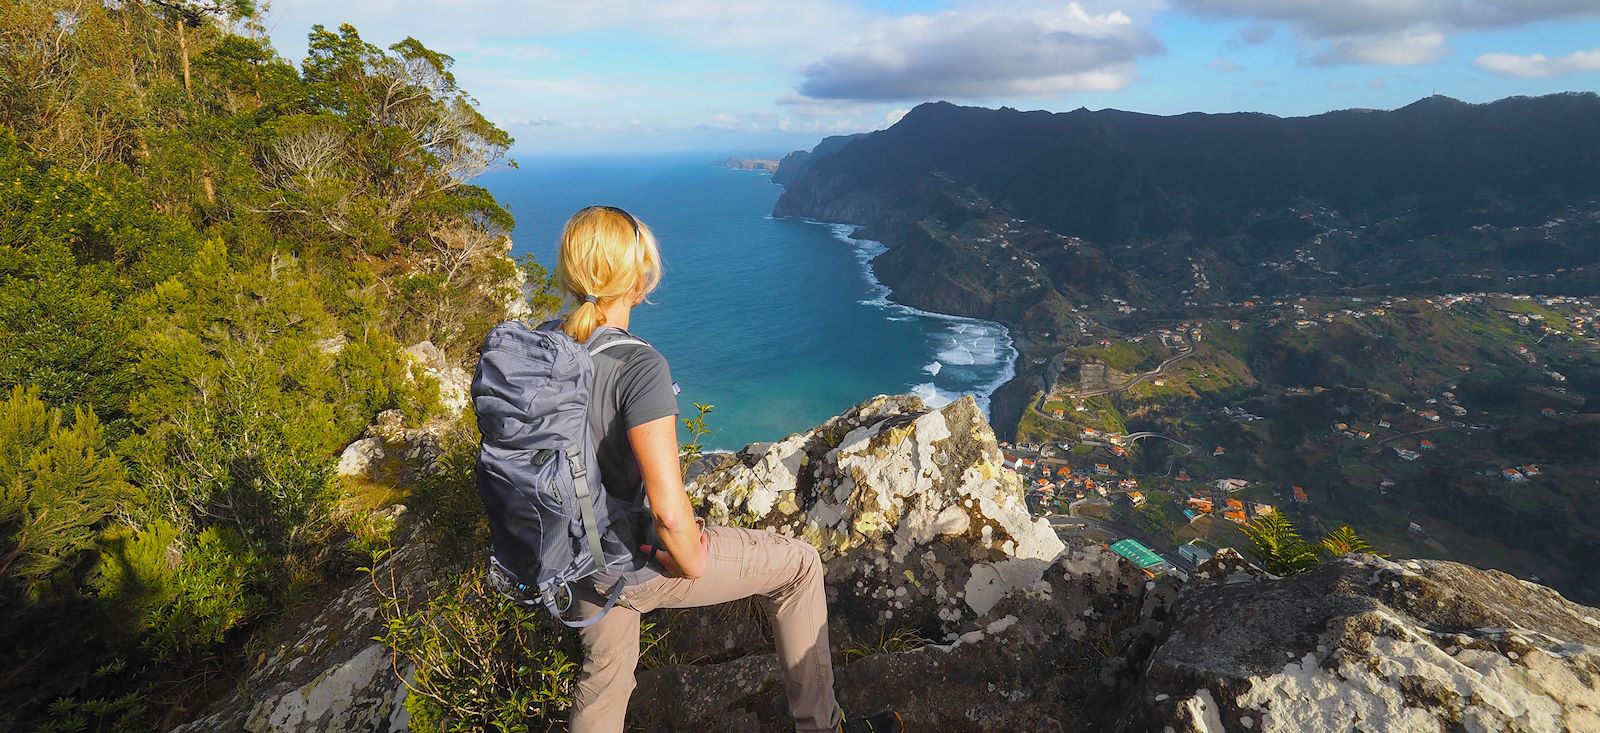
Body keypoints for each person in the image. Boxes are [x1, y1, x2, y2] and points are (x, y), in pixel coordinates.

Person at [554, 205, 903, 733]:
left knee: (606, 677)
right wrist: (692, 560)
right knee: (801, 565)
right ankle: (820, 725)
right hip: (619, 558)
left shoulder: (540, 346)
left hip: (560, 556)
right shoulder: (638, 366)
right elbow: (671, 516)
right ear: (638, 279)